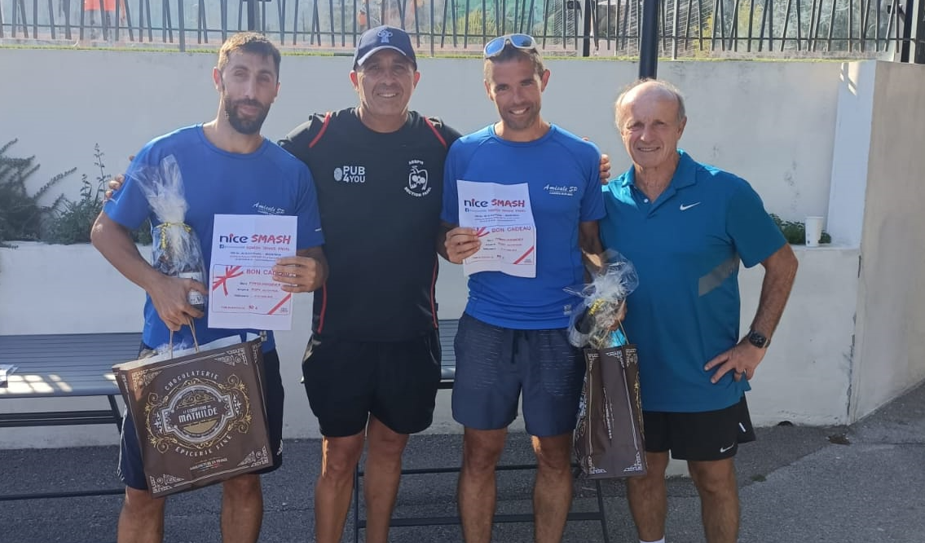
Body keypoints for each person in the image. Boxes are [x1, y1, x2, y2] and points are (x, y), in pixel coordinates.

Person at [90, 32, 327, 543]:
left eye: (263, 78)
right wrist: (157, 284)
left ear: (276, 90)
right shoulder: (164, 152)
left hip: (249, 355)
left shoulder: (291, 173)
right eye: (240, 74)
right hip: (168, 347)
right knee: (144, 492)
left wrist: (314, 273)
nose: (250, 88)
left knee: (243, 484)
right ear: (219, 79)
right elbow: (105, 230)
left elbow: (313, 256)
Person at [277, 26, 462, 543]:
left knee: (389, 451)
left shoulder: (442, 141)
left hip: (411, 335)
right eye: (375, 69)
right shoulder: (315, 138)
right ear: (355, 78)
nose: (387, 79)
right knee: (339, 457)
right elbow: (254, 170)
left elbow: (502, 167)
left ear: (415, 78)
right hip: (340, 336)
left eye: (398, 68)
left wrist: (590, 170)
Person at [599, 79, 799, 543]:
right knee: (643, 476)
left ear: (681, 127)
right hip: (633, 374)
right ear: (621, 130)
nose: (646, 135)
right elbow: (590, 263)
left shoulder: (725, 191)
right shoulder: (606, 200)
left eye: (659, 124)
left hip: (706, 376)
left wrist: (756, 343)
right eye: (635, 125)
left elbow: (783, 264)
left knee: (713, 481)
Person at [440, 34, 606, 543]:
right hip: (487, 326)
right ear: (489, 91)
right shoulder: (465, 153)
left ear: (544, 81)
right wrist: (452, 245)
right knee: (479, 452)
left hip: (557, 332)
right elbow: (446, 237)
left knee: (554, 455)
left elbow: (592, 244)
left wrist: (606, 295)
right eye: (504, 87)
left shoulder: (580, 155)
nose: (517, 98)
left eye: (526, 83)